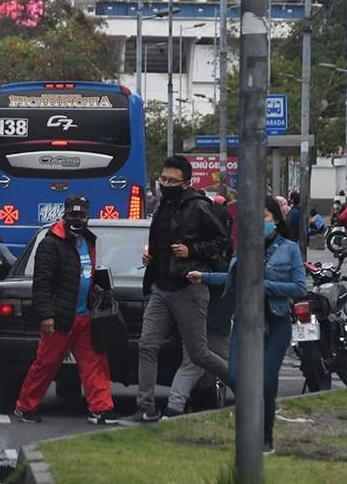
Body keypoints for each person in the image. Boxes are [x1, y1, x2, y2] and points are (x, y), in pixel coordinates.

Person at [188, 196, 307, 454]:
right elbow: (234, 280)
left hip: (275, 323)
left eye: (263, 217)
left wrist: (262, 286)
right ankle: (252, 423)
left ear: (275, 219)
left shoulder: (289, 248)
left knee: (265, 380)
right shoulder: (244, 247)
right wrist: (205, 277)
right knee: (234, 376)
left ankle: (264, 437)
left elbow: (299, 287)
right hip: (244, 323)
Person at [122, 155, 231, 425]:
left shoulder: (199, 207)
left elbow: (221, 241)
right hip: (160, 286)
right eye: (163, 179)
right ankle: (146, 407)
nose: (166, 184)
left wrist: (191, 250)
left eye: (172, 180)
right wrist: (152, 257)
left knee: (198, 353)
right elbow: (160, 241)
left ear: (186, 183)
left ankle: (248, 391)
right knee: (147, 344)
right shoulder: (161, 207)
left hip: (188, 287)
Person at [13, 194, 120, 425]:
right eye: (73, 215)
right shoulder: (50, 243)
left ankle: (101, 408)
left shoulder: (88, 240)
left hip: (84, 316)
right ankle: (25, 406)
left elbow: (82, 273)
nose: (77, 219)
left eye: (82, 215)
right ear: (64, 214)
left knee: (95, 363)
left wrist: (94, 288)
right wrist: (47, 315)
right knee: (46, 364)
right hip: (61, 317)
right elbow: (42, 283)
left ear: (87, 216)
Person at [162, 194, 235, 418]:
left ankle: (175, 408)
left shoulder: (200, 247)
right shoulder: (211, 250)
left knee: (197, 362)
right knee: (199, 361)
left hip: (207, 316)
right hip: (208, 315)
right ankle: (175, 408)